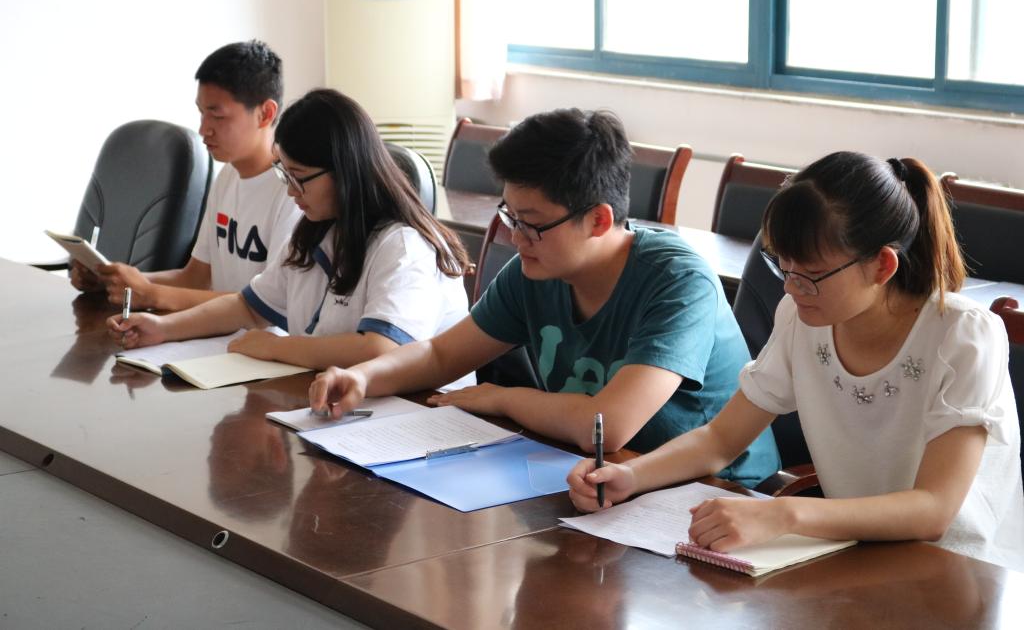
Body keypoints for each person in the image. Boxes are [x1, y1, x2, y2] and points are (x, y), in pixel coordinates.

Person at [568, 151, 1024, 570]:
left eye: (810, 274)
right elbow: (720, 439)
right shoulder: (804, 318)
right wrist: (630, 475)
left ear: (882, 266)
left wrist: (784, 513)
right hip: (854, 554)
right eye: (782, 266)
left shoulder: (962, 336)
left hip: (961, 573)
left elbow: (934, 510)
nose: (789, 287)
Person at [308, 108, 779, 487]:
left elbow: (607, 425)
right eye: (509, 217)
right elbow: (440, 355)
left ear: (598, 220)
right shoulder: (536, 270)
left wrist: (503, 398)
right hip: (599, 475)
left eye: (531, 224)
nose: (516, 239)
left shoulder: (677, 281)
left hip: (716, 490)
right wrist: (363, 376)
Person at [107, 88, 472, 379]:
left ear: (344, 171)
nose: (290, 190)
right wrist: (163, 328)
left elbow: (381, 349)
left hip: (418, 416)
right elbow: (248, 307)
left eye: (299, 177)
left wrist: (277, 347)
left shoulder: (404, 246)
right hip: (337, 402)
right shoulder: (316, 231)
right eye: (284, 174)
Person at [73, 40, 301, 311]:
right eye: (202, 113)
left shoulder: (292, 193)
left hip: (256, 336)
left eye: (217, 116)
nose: (204, 129)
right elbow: (195, 278)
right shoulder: (227, 176)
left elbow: (267, 305)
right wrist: (112, 282)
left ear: (265, 114)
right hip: (212, 330)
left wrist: (151, 294)